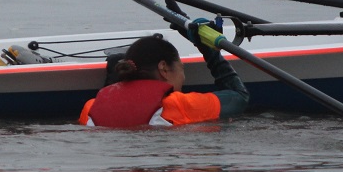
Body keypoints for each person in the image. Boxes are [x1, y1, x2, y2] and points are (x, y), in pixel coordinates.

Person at [78, 26, 250, 128]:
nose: (183, 78)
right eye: (182, 69)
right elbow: (239, 96)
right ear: (164, 68)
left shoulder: (90, 108)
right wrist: (207, 50)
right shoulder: (178, 105)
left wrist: (113, 74)